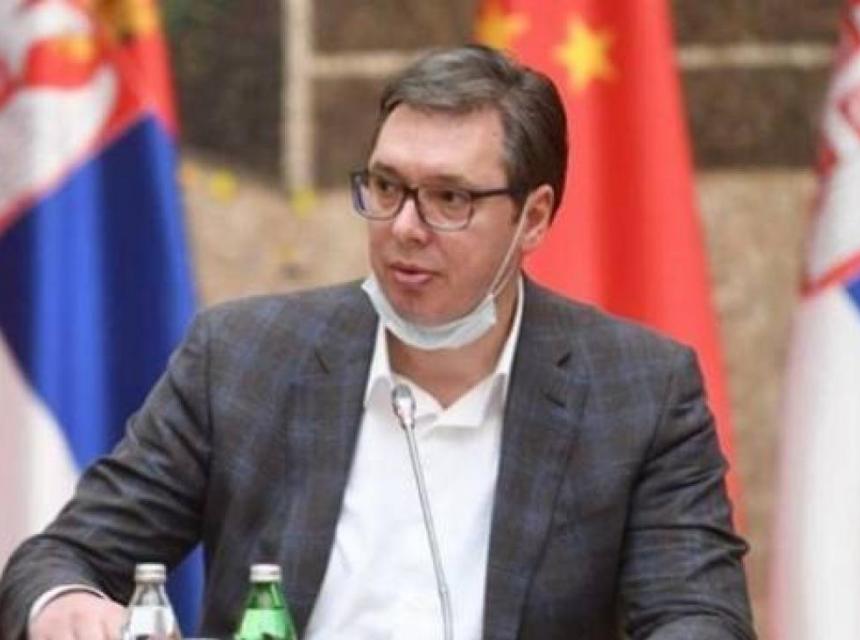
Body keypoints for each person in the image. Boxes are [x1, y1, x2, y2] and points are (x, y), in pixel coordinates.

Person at [0, 44, 755, 639]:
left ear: (533, 217)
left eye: (449, 198)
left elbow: (699, 617)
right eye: (388, 187)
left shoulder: (638, 390)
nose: (404, 228)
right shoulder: (243, 358)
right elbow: (63, 557)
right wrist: (67, 603)